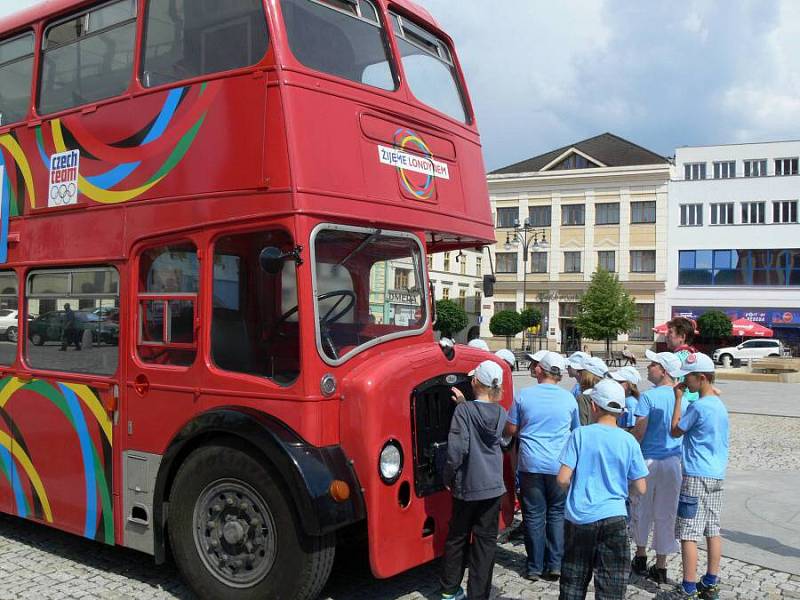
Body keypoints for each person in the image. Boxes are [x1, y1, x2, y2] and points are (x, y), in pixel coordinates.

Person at [557, 379, 648, 600]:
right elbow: (641, 487)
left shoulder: (580, 434)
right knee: (612, 585)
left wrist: (575, 491)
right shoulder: (628, 441)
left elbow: (562, 479)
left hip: (580, 516)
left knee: (573, 581)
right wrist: (623, 493)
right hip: (614, 514)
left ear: (594, 406)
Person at [504, 352, 579, 582]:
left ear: (542, 371)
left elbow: (511, 430)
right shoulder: (569, 399)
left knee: (534, 515)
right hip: (558, 465)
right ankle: (555, 563)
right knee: (556, 513)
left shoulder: (524, 395)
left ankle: (534, 566)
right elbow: (575, 431)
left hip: (531, 463)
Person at [440, 360, 508, 600]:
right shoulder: (501, 412)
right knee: (485, 543)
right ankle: (478, 594)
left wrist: (448, 475)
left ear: (475, 382)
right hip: (493, 486)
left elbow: (458, 449)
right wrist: (465, 405)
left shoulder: (463, 411)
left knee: (457, 537)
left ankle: (450, 589)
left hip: (468, 484)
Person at [669, 353, 729, 600]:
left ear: (701, 378)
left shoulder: (699, 406)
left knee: (688, 532)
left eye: (688, 377)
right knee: (712, 529)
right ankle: (711, 581)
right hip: (716, 475)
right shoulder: (719, 405)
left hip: (695, 475)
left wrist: (678, 399)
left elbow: (675, 431)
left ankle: (689, 586)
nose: (685, 381)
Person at [630, 350, 686, 584]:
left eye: (652, 364)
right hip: (673, 462)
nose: (647, 367)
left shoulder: (648, 398)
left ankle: (640, 554)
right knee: (666, 512)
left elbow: (639, 433)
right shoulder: (683, 398)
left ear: (663, 370)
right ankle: (661, 564)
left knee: (641, 508)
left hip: (648, 461)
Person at [666, 317, 699, 403]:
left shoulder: (674, 358)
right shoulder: (694, 355)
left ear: (682, 337)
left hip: (680, 402)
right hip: (694, 400)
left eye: (670, 332)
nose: (666, 335)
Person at [575, 356, 608, 425]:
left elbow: (581, 426)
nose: (577, 373)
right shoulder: (607, 395)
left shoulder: (582, 398)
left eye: (580, 372)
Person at [610, 366, 641, 430]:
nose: (616, 383)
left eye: (620, 382)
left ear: (630, 385)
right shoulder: (621, 399)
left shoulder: (631, 403)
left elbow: (632, 427)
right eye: (615, 381)